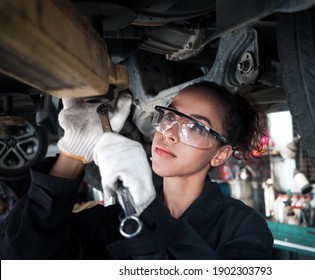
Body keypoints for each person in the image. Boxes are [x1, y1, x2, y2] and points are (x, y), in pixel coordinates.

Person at [0, 81, 273, 259]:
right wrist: (74, 152)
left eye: (195, 127)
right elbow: (20, 257)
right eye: (169, 117)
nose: (169, 134)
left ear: (220, 154)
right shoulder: (114, 219)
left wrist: (146, 211)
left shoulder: (243, 228)